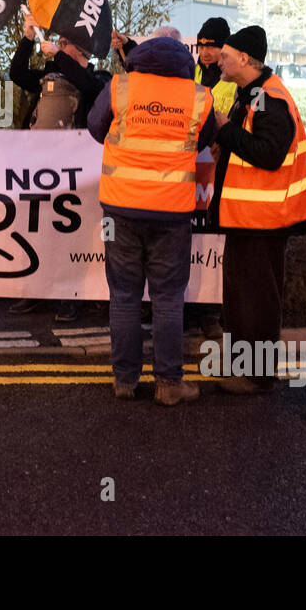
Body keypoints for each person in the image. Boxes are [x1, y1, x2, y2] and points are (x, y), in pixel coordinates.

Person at [87, 30, 217, 405]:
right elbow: (204, 140)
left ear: (140, 59)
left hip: (120, 207)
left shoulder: (120, 87)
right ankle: (168, 384)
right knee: (168, 297)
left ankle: (125, 380)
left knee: (124, 294)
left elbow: (96, 129)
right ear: (183, 64)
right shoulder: (198, 97)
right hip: (172, 212)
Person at [206, 25, 306, 393]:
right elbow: (250, 148)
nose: (218, 60)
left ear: (243, 57)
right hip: (250, 219)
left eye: (224, 54)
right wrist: (226, 145)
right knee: (242, 297)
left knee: (255, 299)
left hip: (263, 221)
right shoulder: (252, 94)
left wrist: (225, 130)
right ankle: (245, 368)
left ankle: (256, 376)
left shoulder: (268, 98)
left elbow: (269, 154)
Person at [8, 11, 111, 321]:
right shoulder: (50, 76)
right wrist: (27, 39)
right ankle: (38, 291)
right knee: (40, 230)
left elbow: (88, 85)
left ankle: (71, 296)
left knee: (73, 234)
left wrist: (58, 57)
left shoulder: (99, 78)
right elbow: (16, 73)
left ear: (80, 51)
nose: (57, 45)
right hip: (43, 168)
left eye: (64, 43)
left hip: (77, 174)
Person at [193, 17, 237, 115]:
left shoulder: (237, 80)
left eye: (210, 47)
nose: (204, 53)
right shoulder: (190, 73)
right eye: (201, 47)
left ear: (225, 48)